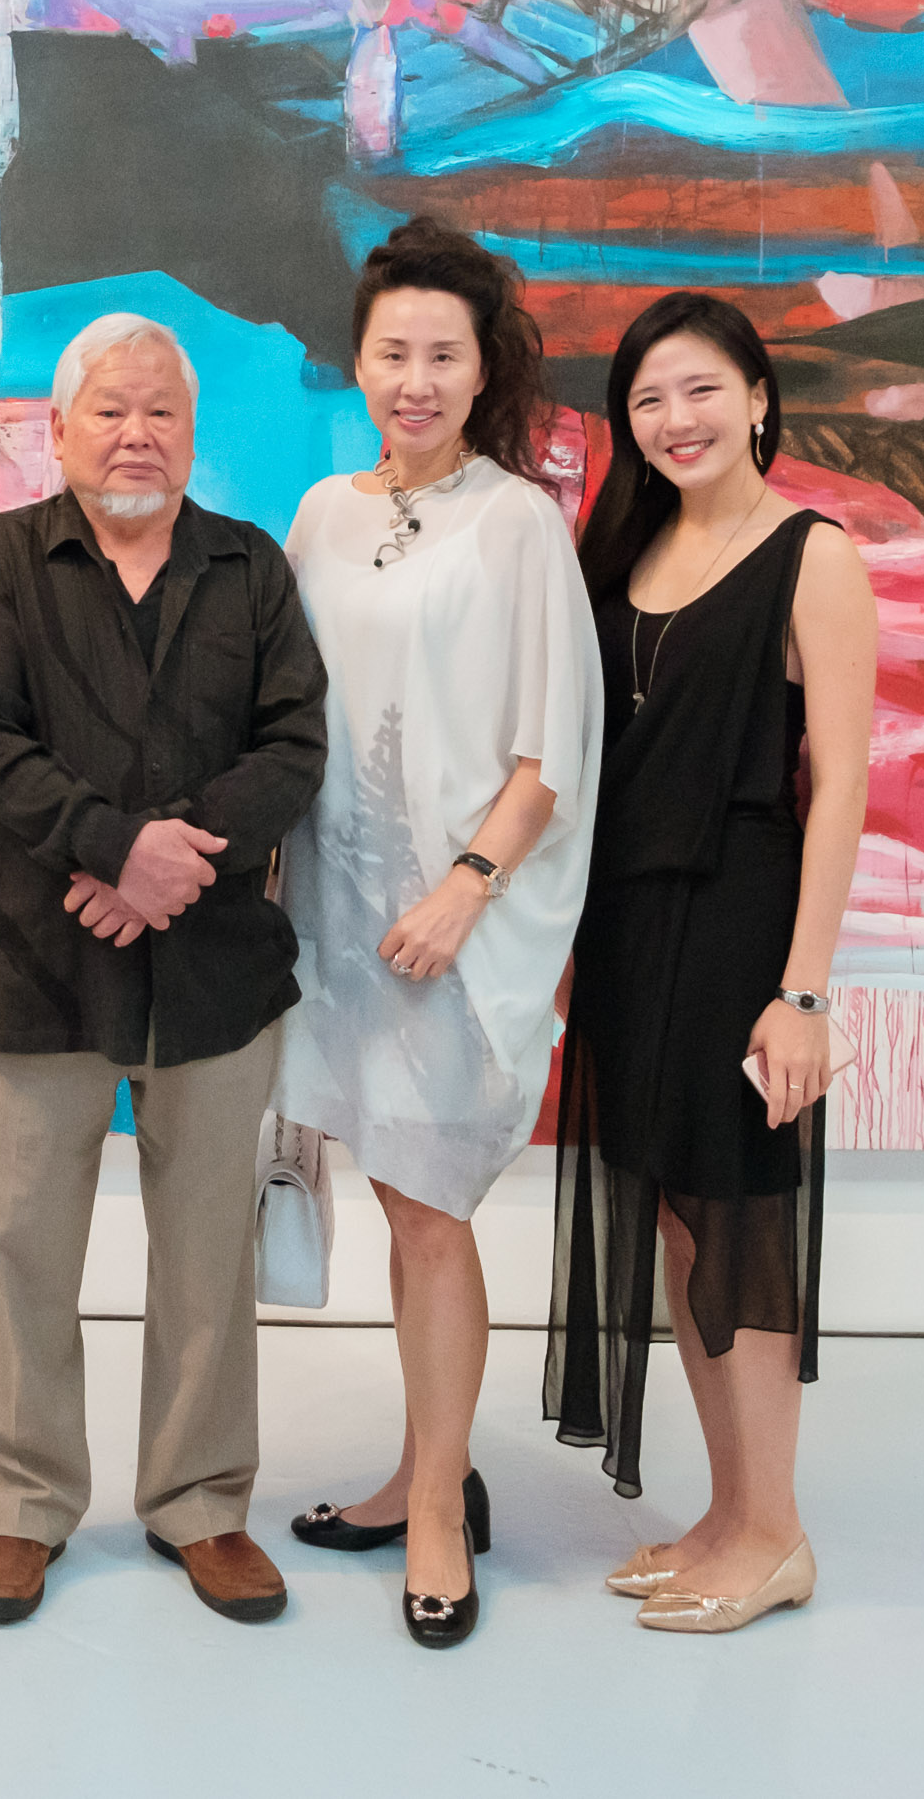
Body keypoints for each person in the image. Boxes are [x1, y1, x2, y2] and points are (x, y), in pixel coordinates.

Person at [0, 312, 330, 1630]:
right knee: (24, 1244)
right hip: (43, 962)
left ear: (192, 435)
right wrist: (112, 849)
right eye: (110, 409)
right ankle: (20, 1504)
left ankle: (201, 1504)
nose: (136, 433)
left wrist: (166, 862)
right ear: (59, 430)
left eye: (161, 412)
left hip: (216, 974)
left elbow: (293, 748)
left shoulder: (250, 570)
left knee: (205, 1253)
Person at [271, 218, 599, 1649]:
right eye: (392, 352)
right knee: (394, 1197)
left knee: (430, 1207)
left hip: (452, 927)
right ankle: (424, 1470)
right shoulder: (321, 514)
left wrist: (467, 889)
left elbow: (551, 747)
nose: (415, 380)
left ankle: (438, 1514)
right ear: (358, 363)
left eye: (442, 356)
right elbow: (286, 716)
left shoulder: (515, 523)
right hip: (337, 917)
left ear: (483, 372)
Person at [543, 290, 880, 1636]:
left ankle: (778, 1532)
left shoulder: (814, 556)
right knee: (680, 1224)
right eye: (647, 399)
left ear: (757, 398)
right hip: (627, 929)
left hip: (741, 919)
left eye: (699, 390)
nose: (675, 419)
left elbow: (839, 784)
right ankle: (731, 1511)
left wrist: (802, 991)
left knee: (742, 1224)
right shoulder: (623, 549)